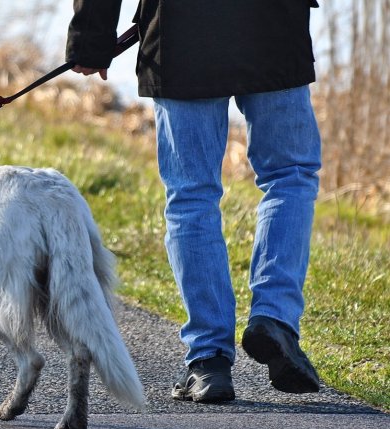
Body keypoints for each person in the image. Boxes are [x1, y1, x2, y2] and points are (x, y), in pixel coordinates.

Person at [66, 0, 322, 403]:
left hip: (180, 33)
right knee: (289, 176)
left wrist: (90, 36)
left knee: (191, 195)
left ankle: (208, 361)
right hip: (272, 24)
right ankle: (274, 318)